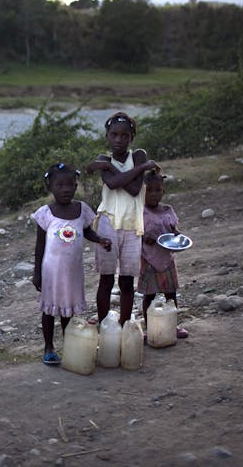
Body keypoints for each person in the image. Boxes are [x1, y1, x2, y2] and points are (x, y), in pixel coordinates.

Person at [31, 162, 112, 365]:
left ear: (76, 186)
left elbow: (87, 232)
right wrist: (37, 273)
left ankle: (69, 346)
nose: (65, 189)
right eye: (60, 185)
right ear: (50, 187)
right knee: (50, 311)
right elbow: (40, 246)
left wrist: (100, 239)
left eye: (70, 185)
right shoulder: (46, 213)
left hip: (73, 272)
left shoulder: (82, 209)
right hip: (51, 271)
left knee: (68, 310)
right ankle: (49, 348)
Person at [85, 111, 159, 327]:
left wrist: (118, 169)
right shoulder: (104, 159)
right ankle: (103, 324)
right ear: (107, 136)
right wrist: (111, 167)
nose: (119, 139)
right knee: (106, 280)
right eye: (114, 135)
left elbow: (136, 189)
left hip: (133, 226)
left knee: (127, 282)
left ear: (131, 138)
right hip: (107, 224)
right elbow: (113, 184)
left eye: (124, 135)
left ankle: (125, 325)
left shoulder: (138, 156)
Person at [138, 171, 189, 338]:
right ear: (141, 193)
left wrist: (177, 235)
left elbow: (174, 230)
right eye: (149, 190)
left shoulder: (168, 210)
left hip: (167, 260)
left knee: (171, 294)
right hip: (148, 260)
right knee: (149, 296)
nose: (154, 194)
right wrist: (145, 238)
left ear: (163, 192)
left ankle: (172, 326)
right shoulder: (140, 213)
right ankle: (150, 328)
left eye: (157, 190)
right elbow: (135, 235)